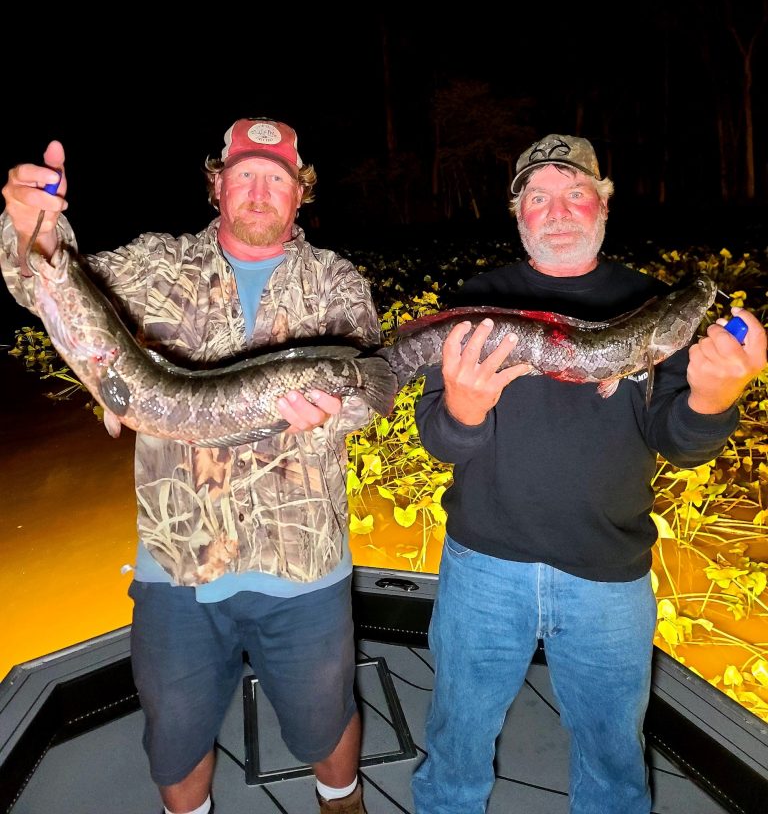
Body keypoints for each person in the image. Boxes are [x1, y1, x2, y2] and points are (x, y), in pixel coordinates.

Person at [1, 118, 380, 814]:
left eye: (277, 179)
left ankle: (342, 799)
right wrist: (36, 233)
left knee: (327, 726)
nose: (259, 191)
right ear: (217, 186)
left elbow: (368, 387)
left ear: (300, 194)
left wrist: (336, 408)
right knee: (175, 746)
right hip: (177, 563)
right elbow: (49, 286)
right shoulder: (157, 263)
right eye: (244, 175)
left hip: (304, 564)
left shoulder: (337, 281)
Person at [410, 134, 767, 814]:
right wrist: (462, 410)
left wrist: (714, 398)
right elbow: (439, 441)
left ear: (603, 203)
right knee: (455, 743)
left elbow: (678, 442)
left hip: (609, 573)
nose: (558, 210)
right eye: (538, 196)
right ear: (518, 213)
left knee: (613, 763)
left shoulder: (651, 303)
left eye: (575, 192)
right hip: (482, 566)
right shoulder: (478, 301)